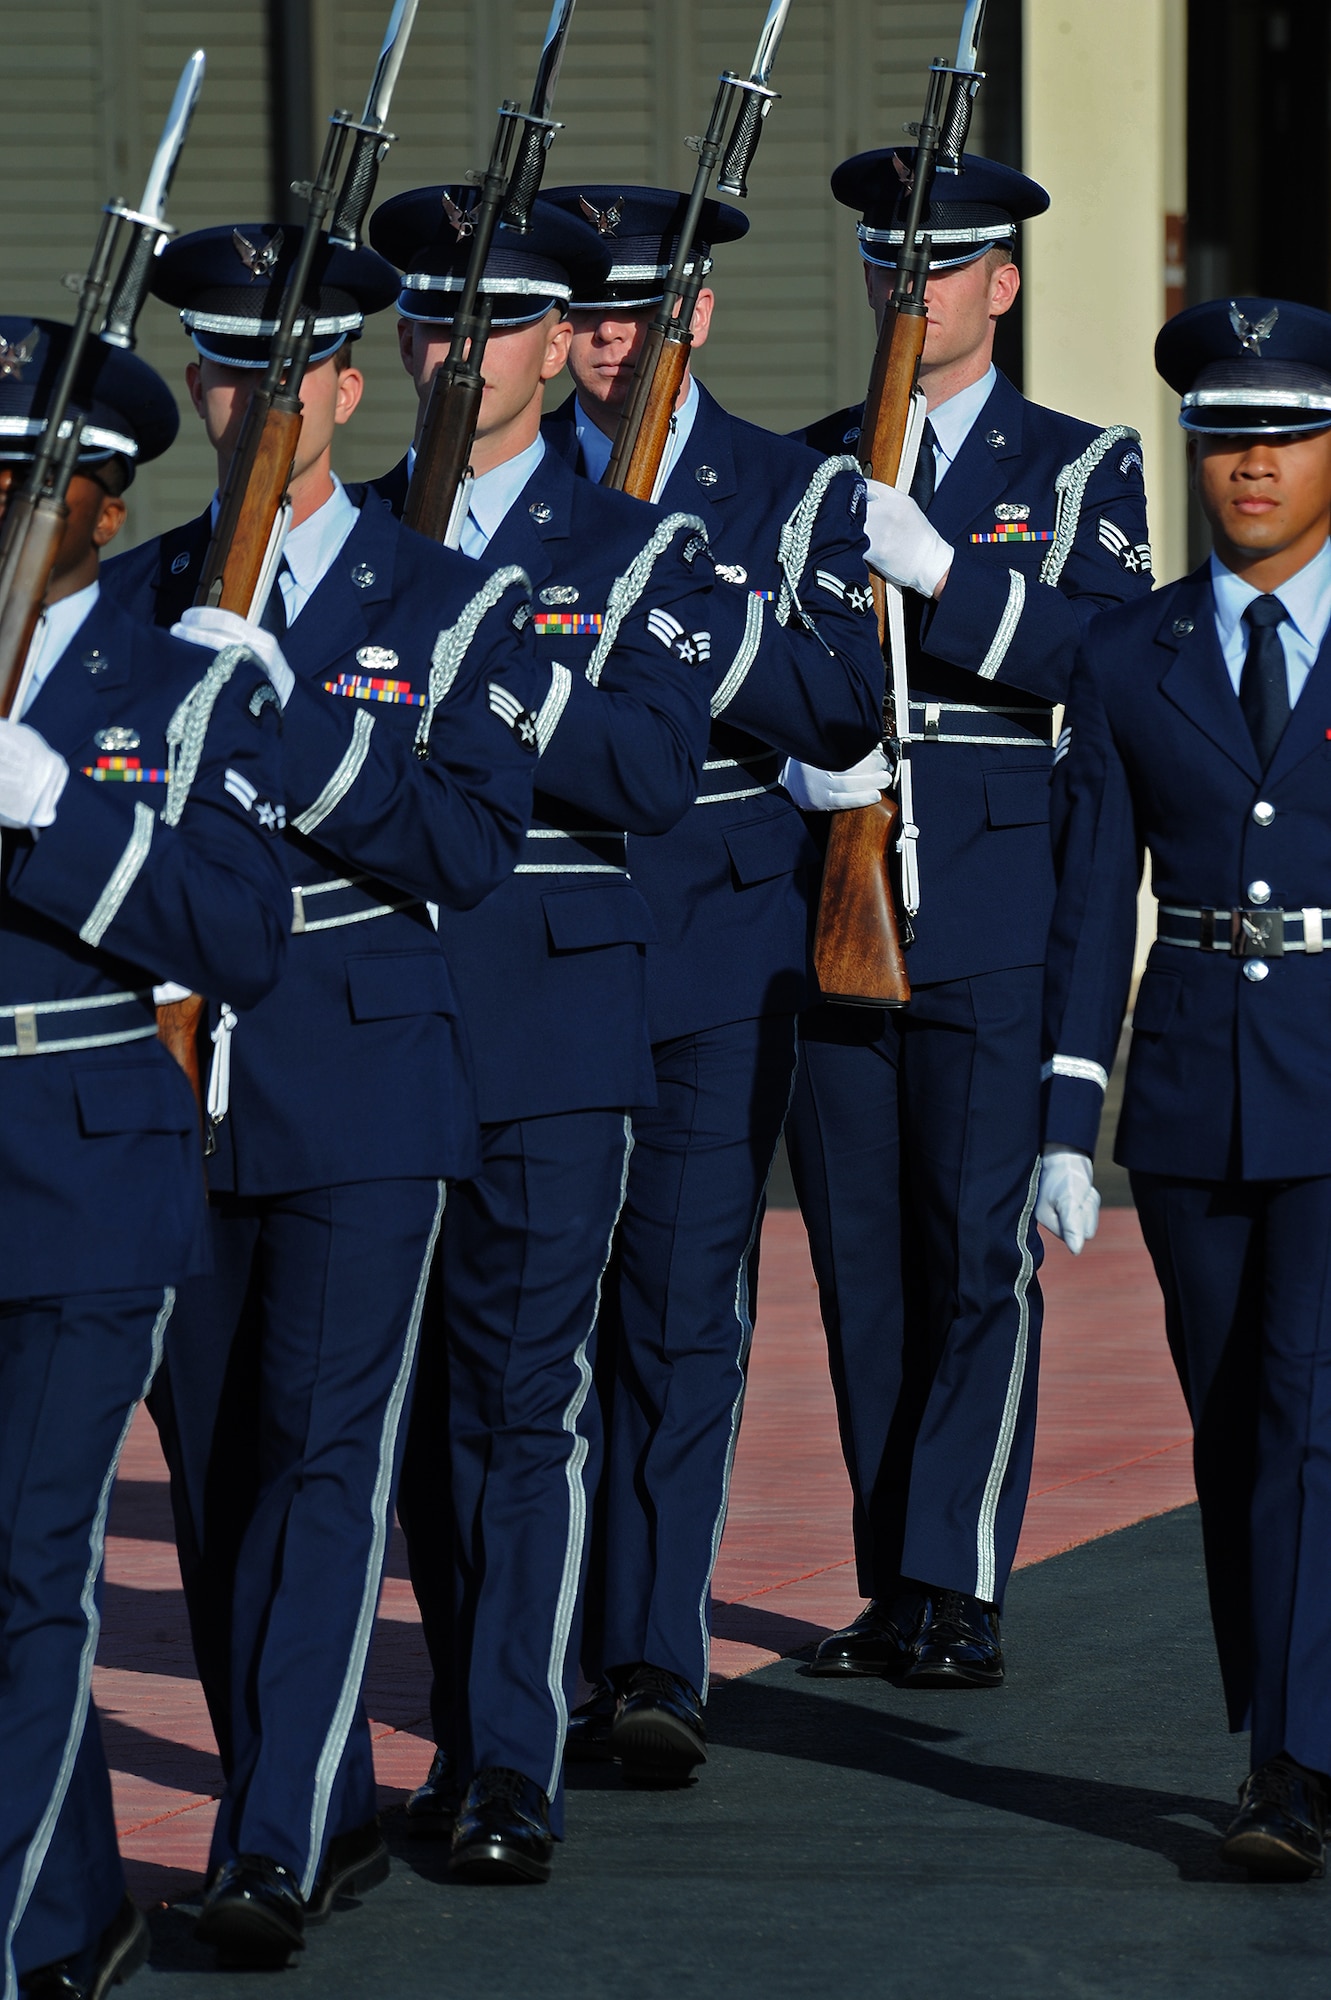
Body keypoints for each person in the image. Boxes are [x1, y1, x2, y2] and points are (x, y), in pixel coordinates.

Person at [100, 224, 565, 1968]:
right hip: (169, 1075)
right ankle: (313, 1795)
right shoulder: (134, 593)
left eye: (288, 374)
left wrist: (283, 727)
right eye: (224, 371)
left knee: (317, 1461)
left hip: (365, 1075)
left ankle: (269, 1836)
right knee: (216, 1472)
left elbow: (468, 842)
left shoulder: (440, 596)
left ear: (350, 391)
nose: (253, 402)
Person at [365, 190, 723, 1878]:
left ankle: (516, 1758)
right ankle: (459, 1723)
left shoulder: (634, 539)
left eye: (495, 324)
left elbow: (654, 774)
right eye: (429, 324)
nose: (458, 353)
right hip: (373, 1006)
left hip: (557, 1004)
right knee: (416, 1410)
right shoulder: (350, 536)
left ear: (553, 340)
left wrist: (490, 670)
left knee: (521, 1396)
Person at [781, 151, 1154, 1689]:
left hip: (992, 911)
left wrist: (951, 584)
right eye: (889, 264)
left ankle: (961, 1574)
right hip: (838, 905)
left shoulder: (1079, 468)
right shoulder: (807, 468)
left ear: (1000, 285)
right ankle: (893, 1582)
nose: (908, 290)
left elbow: (1118, 670)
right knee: (861, 1262)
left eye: (941, 267)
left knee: (975, 1254)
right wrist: (802, 753)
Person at [539, 184, 886, 1778]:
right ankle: (524, 1654)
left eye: (641, 313)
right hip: (538, 935)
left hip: (713, 948)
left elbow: (835, 701)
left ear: (699, 316)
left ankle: (649, 1654)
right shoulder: (490, 489)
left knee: (680, 1313)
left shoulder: (787, 489)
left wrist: (687, 620)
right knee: (526, 1325)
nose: (613, 345)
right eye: (589, 317)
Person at [0, 319, 289, 2000]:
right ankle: (83, 1888)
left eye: (24, 489)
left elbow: (245, 938)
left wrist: (59, 816)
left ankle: (35, 1932)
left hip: (88, 1166)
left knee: (29, 1558)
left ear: (103, 508)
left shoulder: (180, 684)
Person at [1040, 295, 1331, 1882]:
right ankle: (1289, 1716)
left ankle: (1289, 1768)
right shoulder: (1128, 649)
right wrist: (1063, 1119)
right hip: (1195, 1083)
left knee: (1310, 1410)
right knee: (1233, 1423)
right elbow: (1093, 902)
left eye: (1284, 436)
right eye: (1225, 439)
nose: (1253, 468)